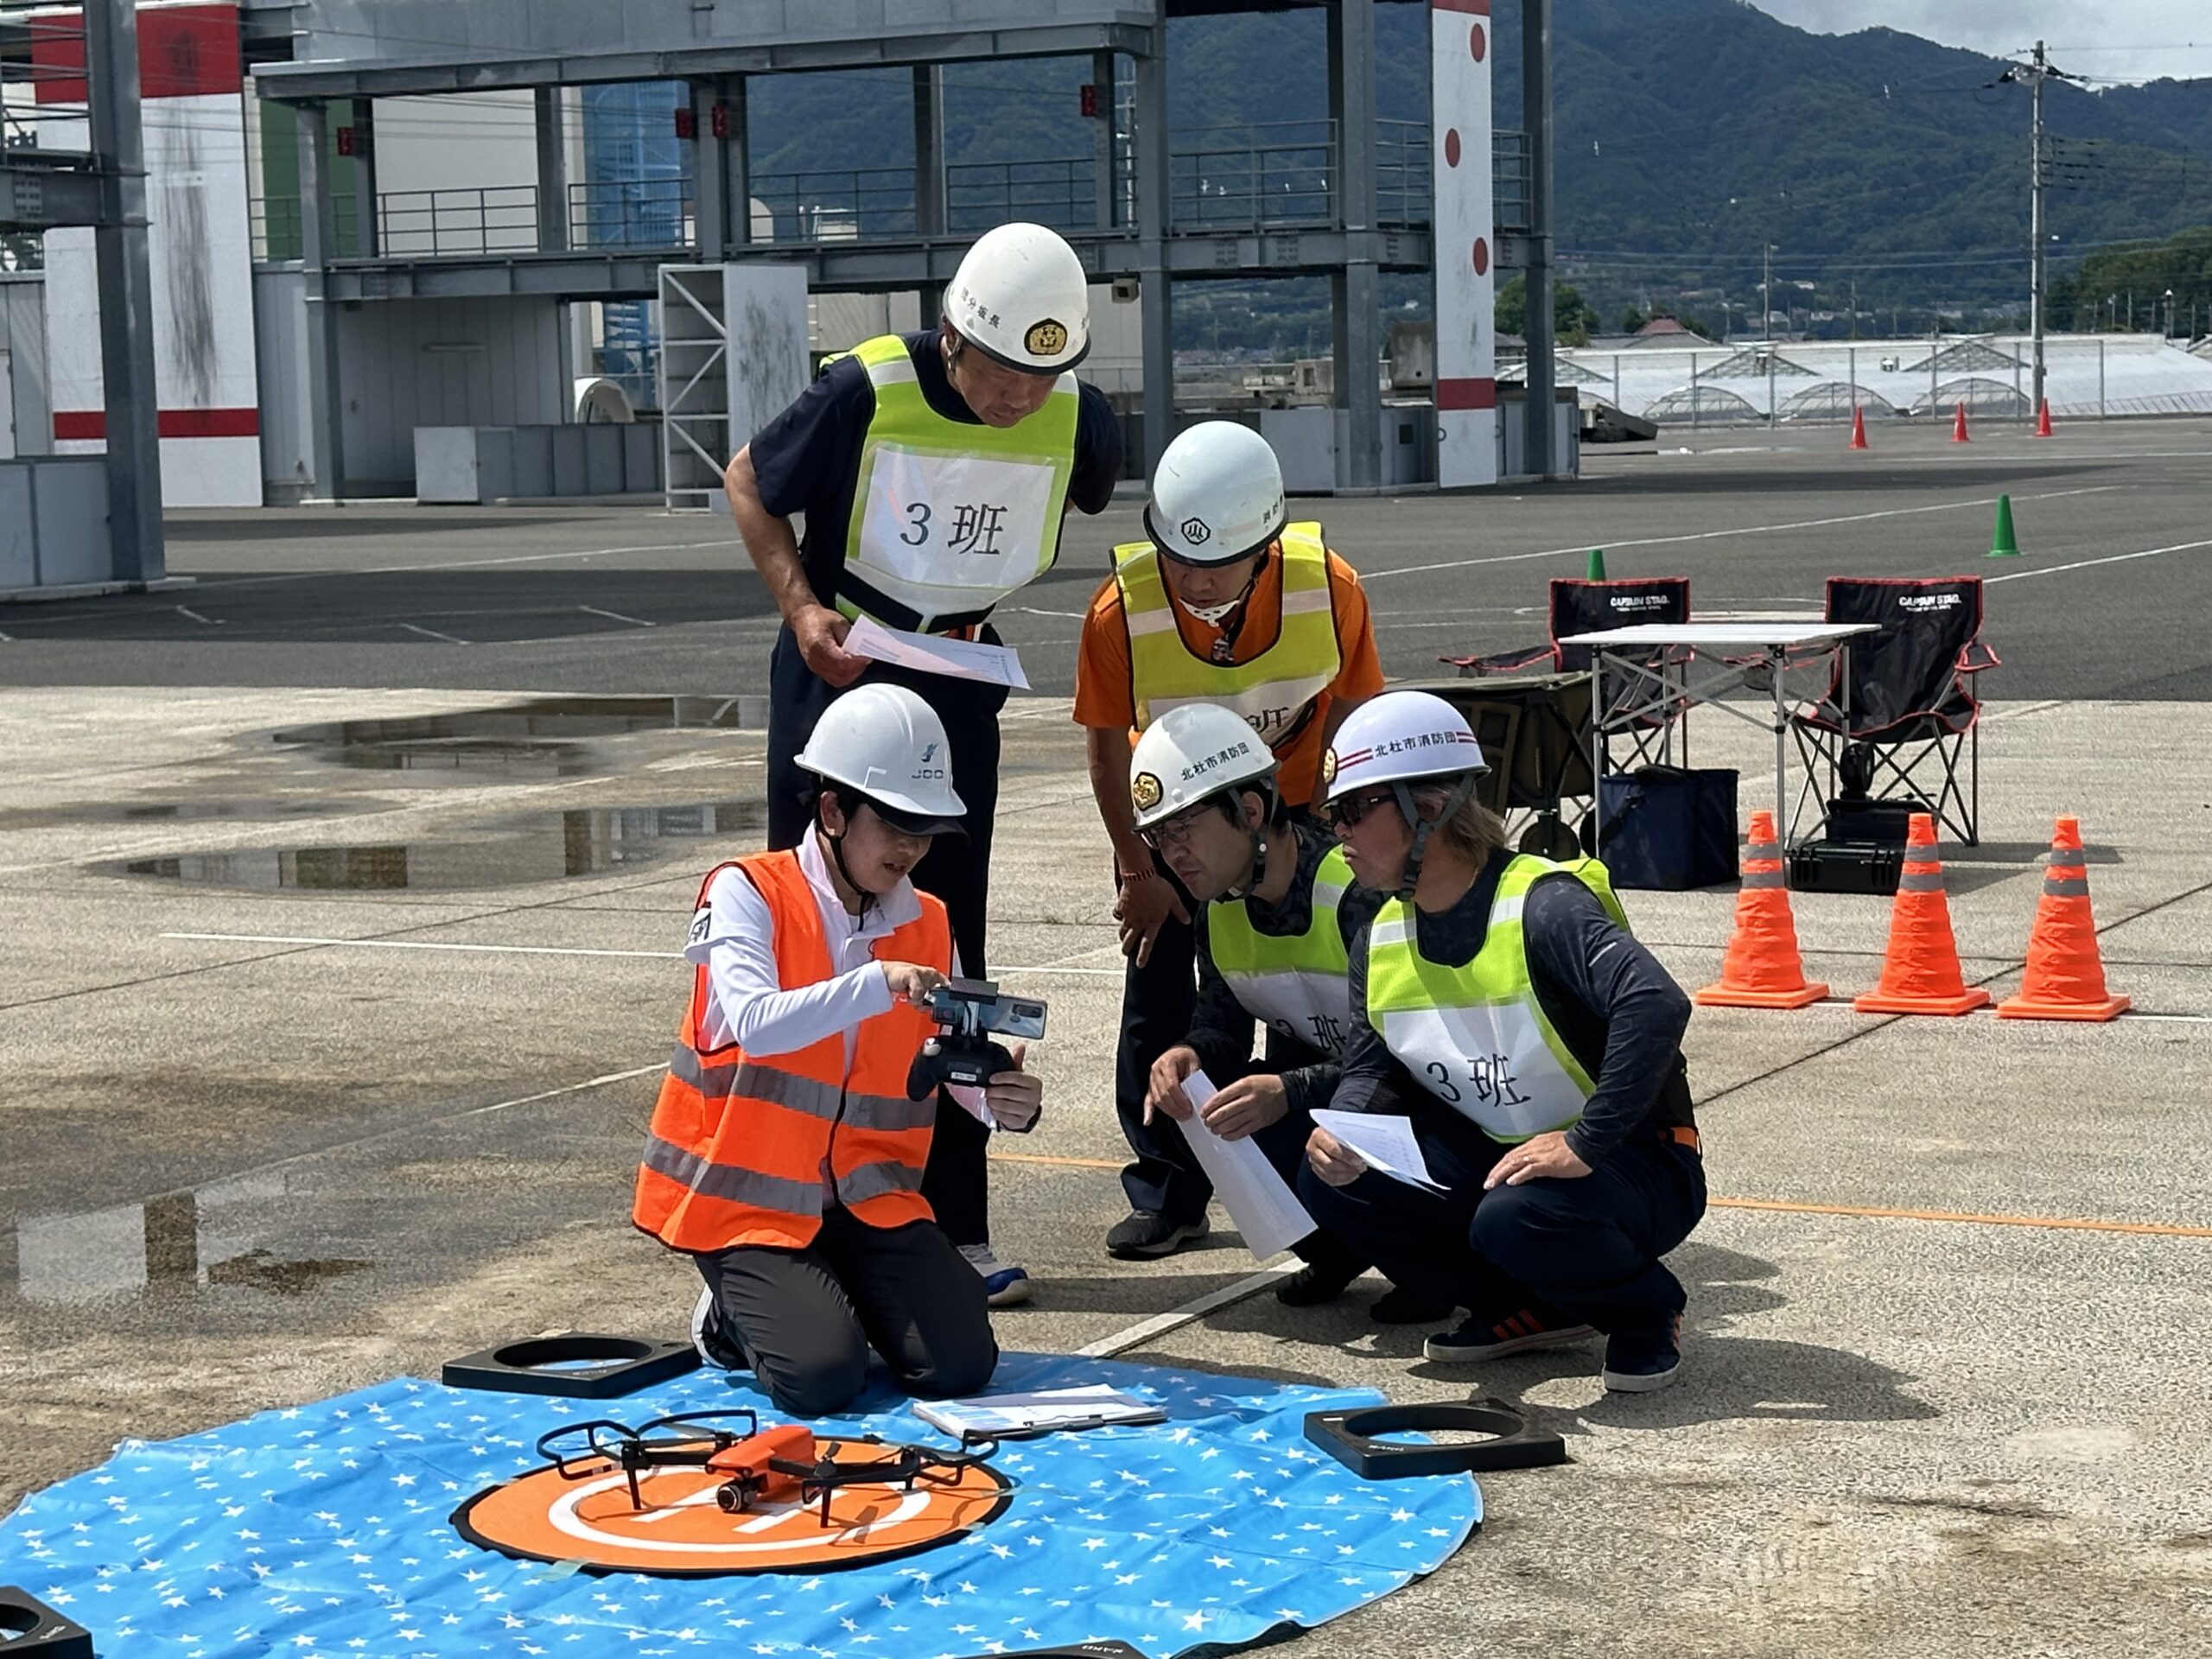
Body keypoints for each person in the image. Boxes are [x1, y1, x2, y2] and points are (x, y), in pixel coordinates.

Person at [721, 221, 1123, 1306]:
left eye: (1043, 377)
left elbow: (1079, 485)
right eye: (1001, 373)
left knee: (948, 944)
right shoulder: (866, 389)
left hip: (957, 675)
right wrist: (800, 610)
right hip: (842, 666)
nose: (1021, 398)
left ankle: (951, 1224)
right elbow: (749, 480)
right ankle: (786, 1216)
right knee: (813, 937)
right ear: (952, 338)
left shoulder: (1077, 414)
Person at [632, 684, 1044, 1417]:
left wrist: (999, 1101)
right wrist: (874, 983)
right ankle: (727, 1318)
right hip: (748, 1206)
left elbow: (943, 1056)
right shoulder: (745, 892)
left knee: (961, 1364)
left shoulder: (928, 919)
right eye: (894, 825)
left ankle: (828, 1294)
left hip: (868, 1200)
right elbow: (756, 1022)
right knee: (821, 1378)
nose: (911, 848)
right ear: (831, 812)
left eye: (926, 829)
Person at [1297, 690, 1707, 1393]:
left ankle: (1645, 1310)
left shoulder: (1543, 905)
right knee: (1334, 1183)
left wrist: (1584, 1143)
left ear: (1429, 807)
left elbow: (1656, 1003)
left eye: (1355, 810)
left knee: (1516, 1217)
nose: (1338, 831)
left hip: (1633, 1157)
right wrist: (1348, 1131)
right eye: (1335, 813)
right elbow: (1371, 1068)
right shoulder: (1380, 935)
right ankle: (1528, 1308)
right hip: (1504, 1151)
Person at [1073, 420, 1385, 1259]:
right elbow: (1106, 752)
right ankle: (1168, 1191)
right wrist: (1140, 870)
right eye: (1178, 559)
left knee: (1296, 1000)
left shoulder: (1331, 589)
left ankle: (1310, 1196)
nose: (1194, 580)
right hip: (1170, 827)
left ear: (1266, 546)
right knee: (1158, 1000)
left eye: (1217, 564)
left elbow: (1354, 713)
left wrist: (1334, 831)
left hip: (1290, 818)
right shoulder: (1119, 611)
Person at [1131, 703, 1446, 1320]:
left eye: (1183, 828)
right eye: (1159, 837)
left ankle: (1435, 1269)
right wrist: (1187, 1054)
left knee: (1298, 1121)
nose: (1172, 853)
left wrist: (1288, 1090)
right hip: (1339, 1094)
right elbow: (1222, 1023)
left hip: (1420, 1105)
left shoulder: (1356, 894)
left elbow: (1409, 1059)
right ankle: (1334, 1252)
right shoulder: (1218, 909)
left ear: (1251, 811)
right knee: (1199, 1096)